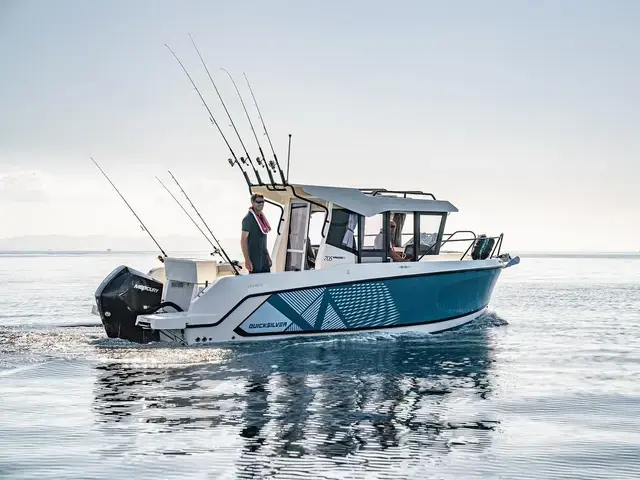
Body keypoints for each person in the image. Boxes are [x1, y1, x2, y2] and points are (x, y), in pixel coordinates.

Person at [241, 193, 273, 274]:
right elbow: (243, 240)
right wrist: (247, 260)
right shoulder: (248, 219)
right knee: (255, 285)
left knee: (266, 282)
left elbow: (263, 240)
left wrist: (268, 257)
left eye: (262, 202)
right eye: (258, 202)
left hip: (264, 259)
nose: (261, 204)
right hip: (254, 259)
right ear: (252, 202)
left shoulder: (262, 219)